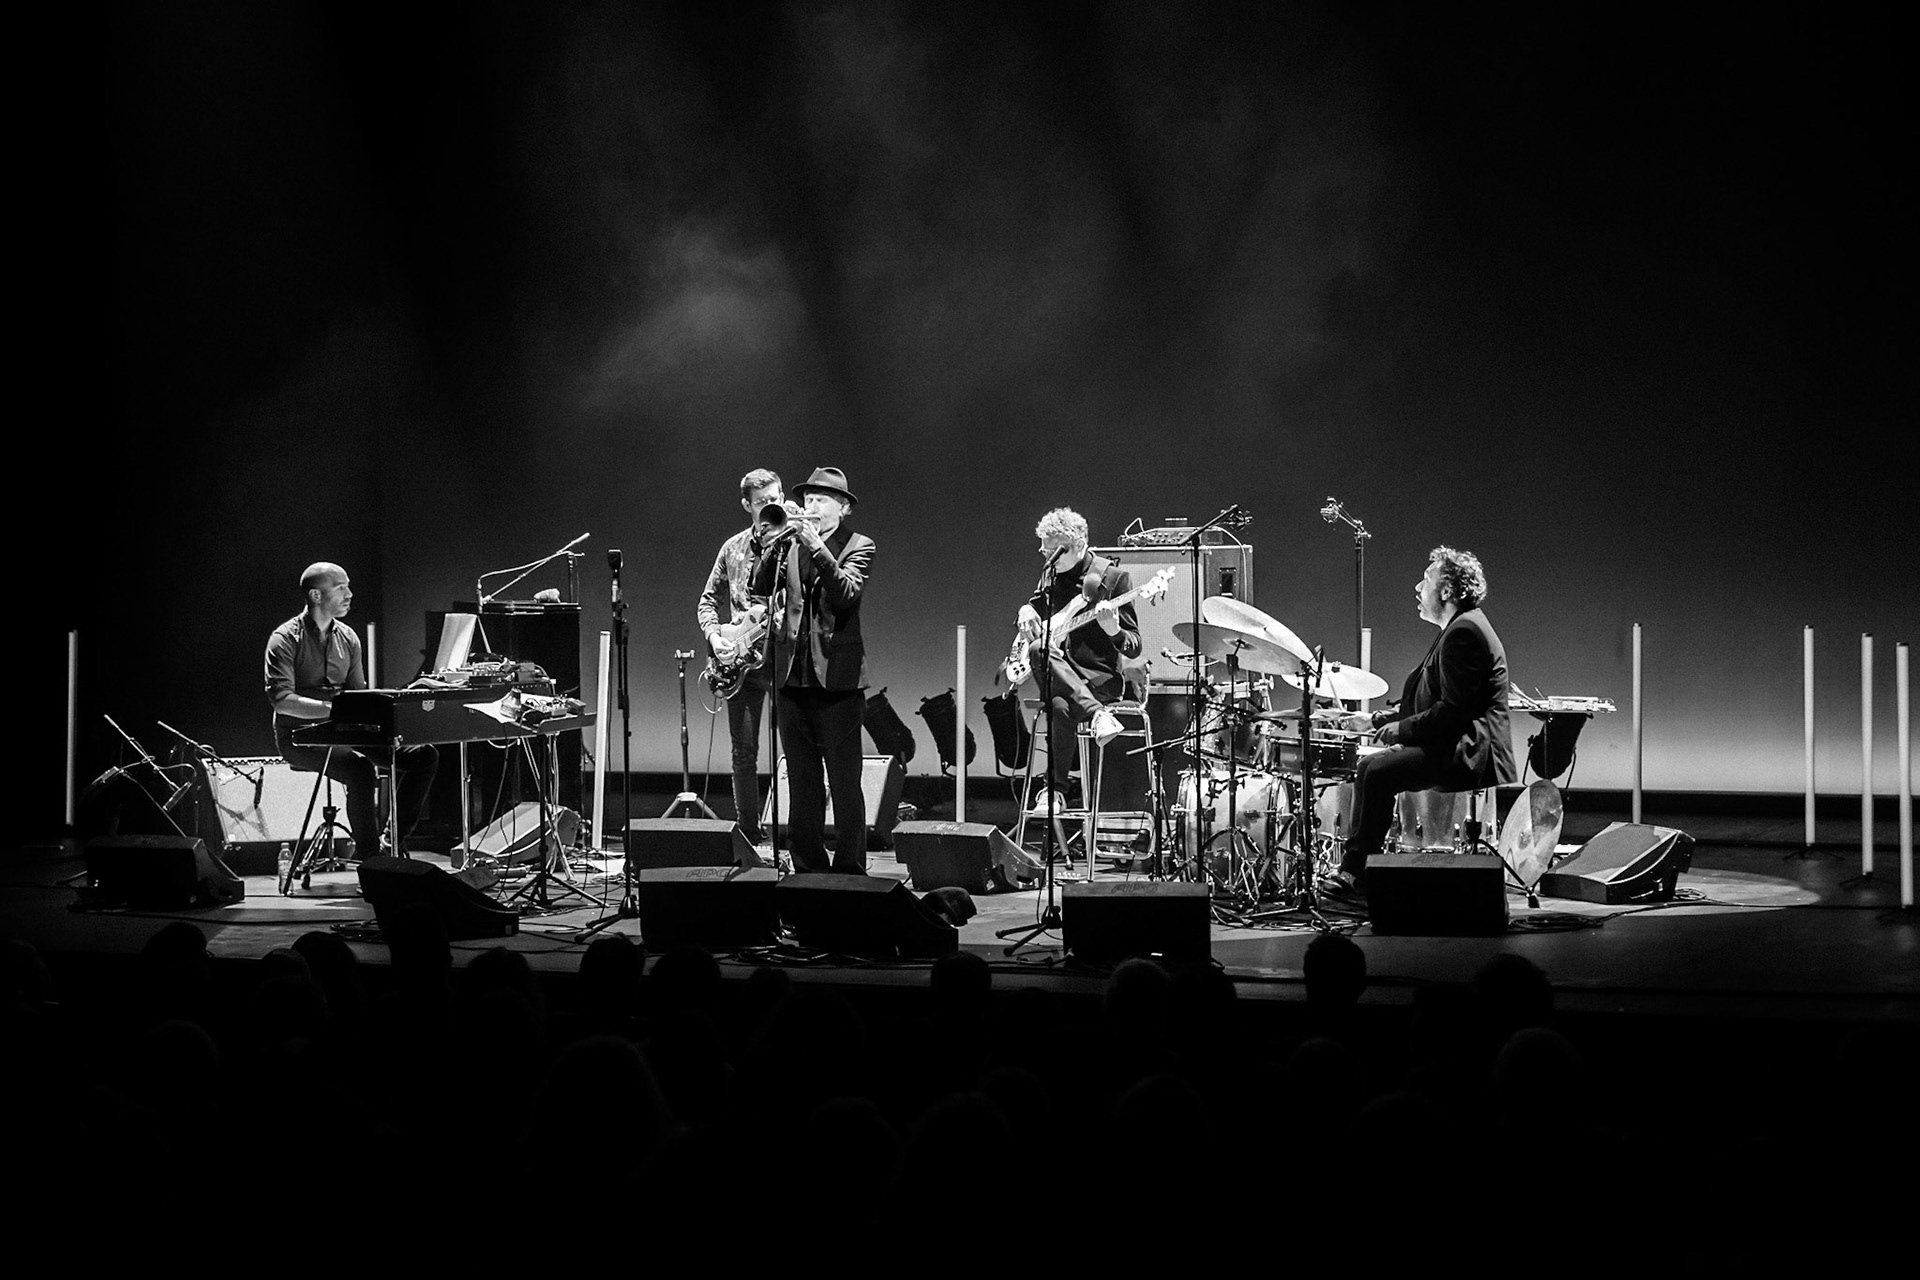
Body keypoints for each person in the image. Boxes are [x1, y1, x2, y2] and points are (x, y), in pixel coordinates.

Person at [1319, 546, 1515, 901]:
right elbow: (1429, 703)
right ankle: (1356, 872)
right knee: (1369, 767)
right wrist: (1374, 720)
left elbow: (1452, 712)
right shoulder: (1459, 628)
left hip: (1468, 751)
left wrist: (1400, 730)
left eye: (1426, 580)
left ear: (1447, 591)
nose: (1416, 588)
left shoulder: (1464, 633)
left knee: (1377, 772)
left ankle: (1355, 874)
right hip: (1454, 742)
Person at [265, 562, 438, 857]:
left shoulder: (349, 637)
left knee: (424, 755)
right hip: (299, 735)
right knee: (360, 770)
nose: (350, 594)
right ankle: (371, 862)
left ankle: (391, 840)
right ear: (317, 596)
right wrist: (337, 711)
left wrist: (399, 699)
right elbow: (283, 700)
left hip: (345, 728)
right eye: (341, 588)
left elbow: (358, 695)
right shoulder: (284, 639)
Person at [752, 467, 874, 873]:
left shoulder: (859, 544)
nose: (811, 508)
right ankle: (806, 866)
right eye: (807, 501)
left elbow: (845, 595)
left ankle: (850, 868)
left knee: (844, 782)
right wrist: (772, 543)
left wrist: (815, 547)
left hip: (837, 682)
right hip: (791, 678)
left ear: (842, 508)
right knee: (801, 783)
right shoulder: (790, 544)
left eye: (820, 501)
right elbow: (759, 583)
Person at [1014, 508, 1141, 808]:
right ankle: (1097, 715)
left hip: (1099, 680)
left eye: (1054, 550)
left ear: (1078, 544)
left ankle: (1054, 790)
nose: (1047, 557)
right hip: (1057, 673)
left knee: (1060, 705)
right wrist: (1024, 611)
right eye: (1046, 550)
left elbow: (1134, 646)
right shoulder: (1051, 574)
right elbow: (1037, 619)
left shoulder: (1113, 577)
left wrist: (1114, 631)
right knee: (1037, 649)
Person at [697, 467, 783, 843]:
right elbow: (706, 602)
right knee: (743, 753)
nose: (771, 507)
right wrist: (716, 638)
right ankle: (749, 833)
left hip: (783, 658)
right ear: (747, 505)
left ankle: (800, 834)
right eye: (763, 502)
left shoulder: (795, 543)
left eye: (775, 499)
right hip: (740, 663)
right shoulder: (733, 548)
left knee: (798, 752)